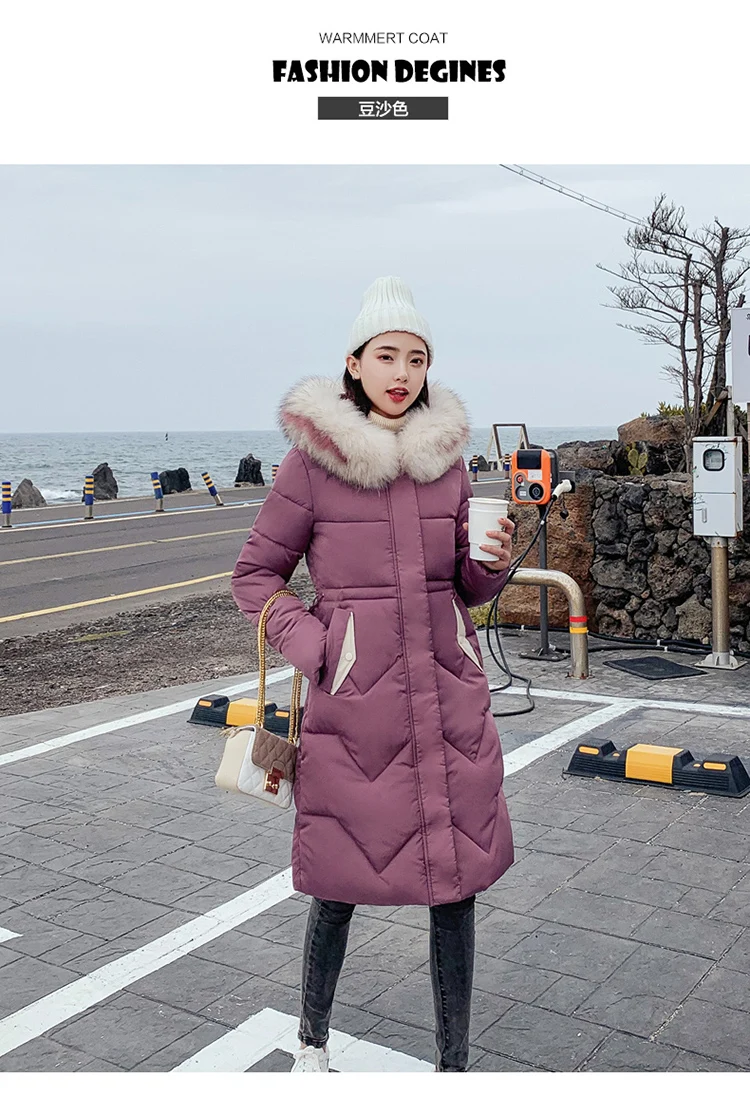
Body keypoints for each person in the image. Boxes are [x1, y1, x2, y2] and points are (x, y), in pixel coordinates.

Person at [231, 276, 516, 1072]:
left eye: (417, 359)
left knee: (455, 891)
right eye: (387, 355)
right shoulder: (312, 463)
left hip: (448, 702)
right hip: (355, 710)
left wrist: (490, 565)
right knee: (338, 883)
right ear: (354, 363)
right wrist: (319, 644)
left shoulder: (446, 463)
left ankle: (454, 1065)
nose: (403, 372)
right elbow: (255, 575)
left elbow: (465, 585)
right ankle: (311, 1042)